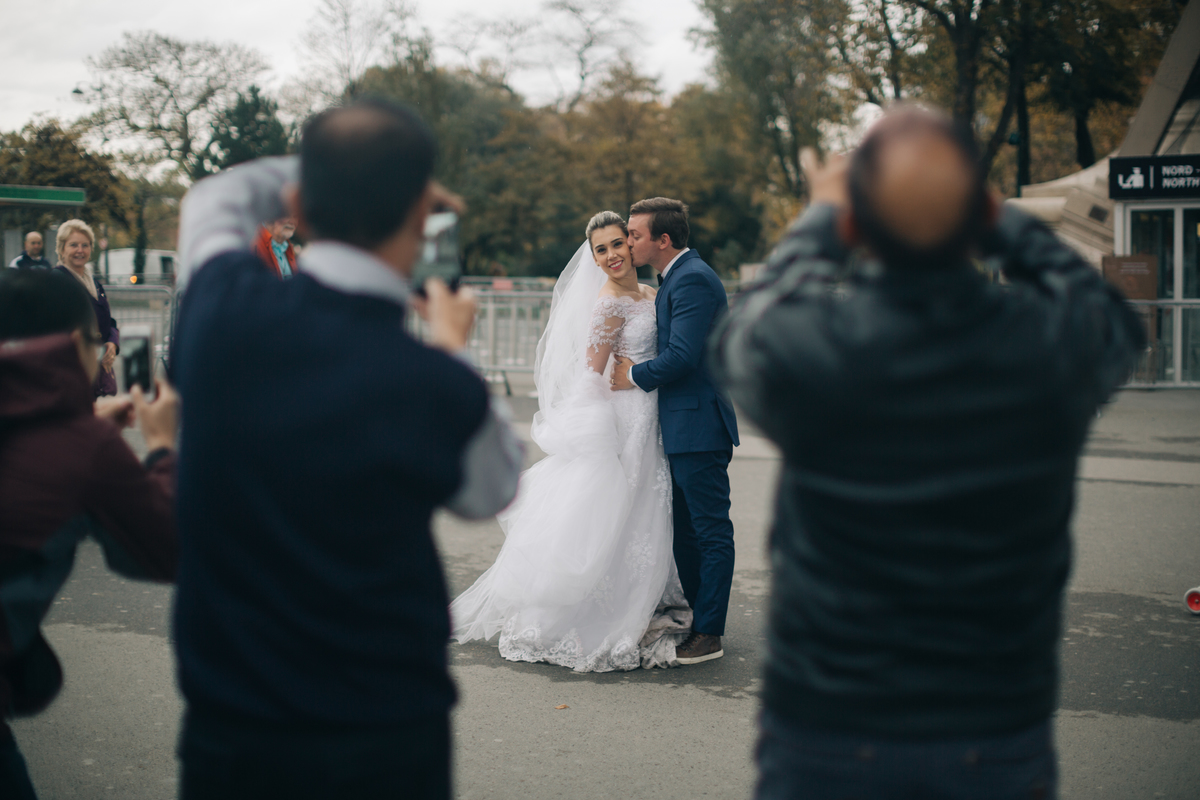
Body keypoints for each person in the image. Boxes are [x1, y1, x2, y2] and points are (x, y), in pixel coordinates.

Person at [710, 106, 1146, 800]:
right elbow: (1114, 315)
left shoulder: (808, 350)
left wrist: (822, 213)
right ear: (980, 216)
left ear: (854, 225)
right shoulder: (1049, 344)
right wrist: (1003, 223)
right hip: (994, 729)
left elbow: (749, 325)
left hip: (826, 727)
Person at [170, 97, 523, 800]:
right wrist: (454, 346)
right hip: (385, 726)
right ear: (424, 215)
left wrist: (333, 170)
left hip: (235, 723)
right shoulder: (434, 383)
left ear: (297, 201)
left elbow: (216, 195)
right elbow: (493, 488)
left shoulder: (221, 312)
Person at [451, 210, 691, 672]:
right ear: (593, 257)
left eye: (617, 244)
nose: (611, 256)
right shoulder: (607, 305)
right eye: (601, 250)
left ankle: (646, 604)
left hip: (649, 417)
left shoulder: (649, 293)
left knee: (646, 510)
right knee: (618, 510)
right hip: (621, 421)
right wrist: (593, 439)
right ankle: (598, 615)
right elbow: (589, 375)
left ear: (631, 243)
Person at [0, 268, 180, 800]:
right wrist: (163, 447)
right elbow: (167, 550)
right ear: (81, 344)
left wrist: (82, 419)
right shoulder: (85, 450)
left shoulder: (73, 438)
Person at [610, 197, 739, 665]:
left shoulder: (694, 280)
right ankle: (700, 618)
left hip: (698, 424)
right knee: (686, 529)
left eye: (636, 235)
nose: (628, 242)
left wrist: (634, 376)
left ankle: (710, 633)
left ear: (663, 240)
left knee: (708, 530)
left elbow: (682, 356)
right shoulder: (675, 278)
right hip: (681, 424)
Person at [52, 220, 119, 397]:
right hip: (70, 373)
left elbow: (108, 321)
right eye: (73, 245)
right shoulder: (56, 281)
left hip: (94, 371)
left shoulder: (95, 283)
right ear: (62, 249)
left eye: (85, 245)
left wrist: (112, 343)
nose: (80, 250)